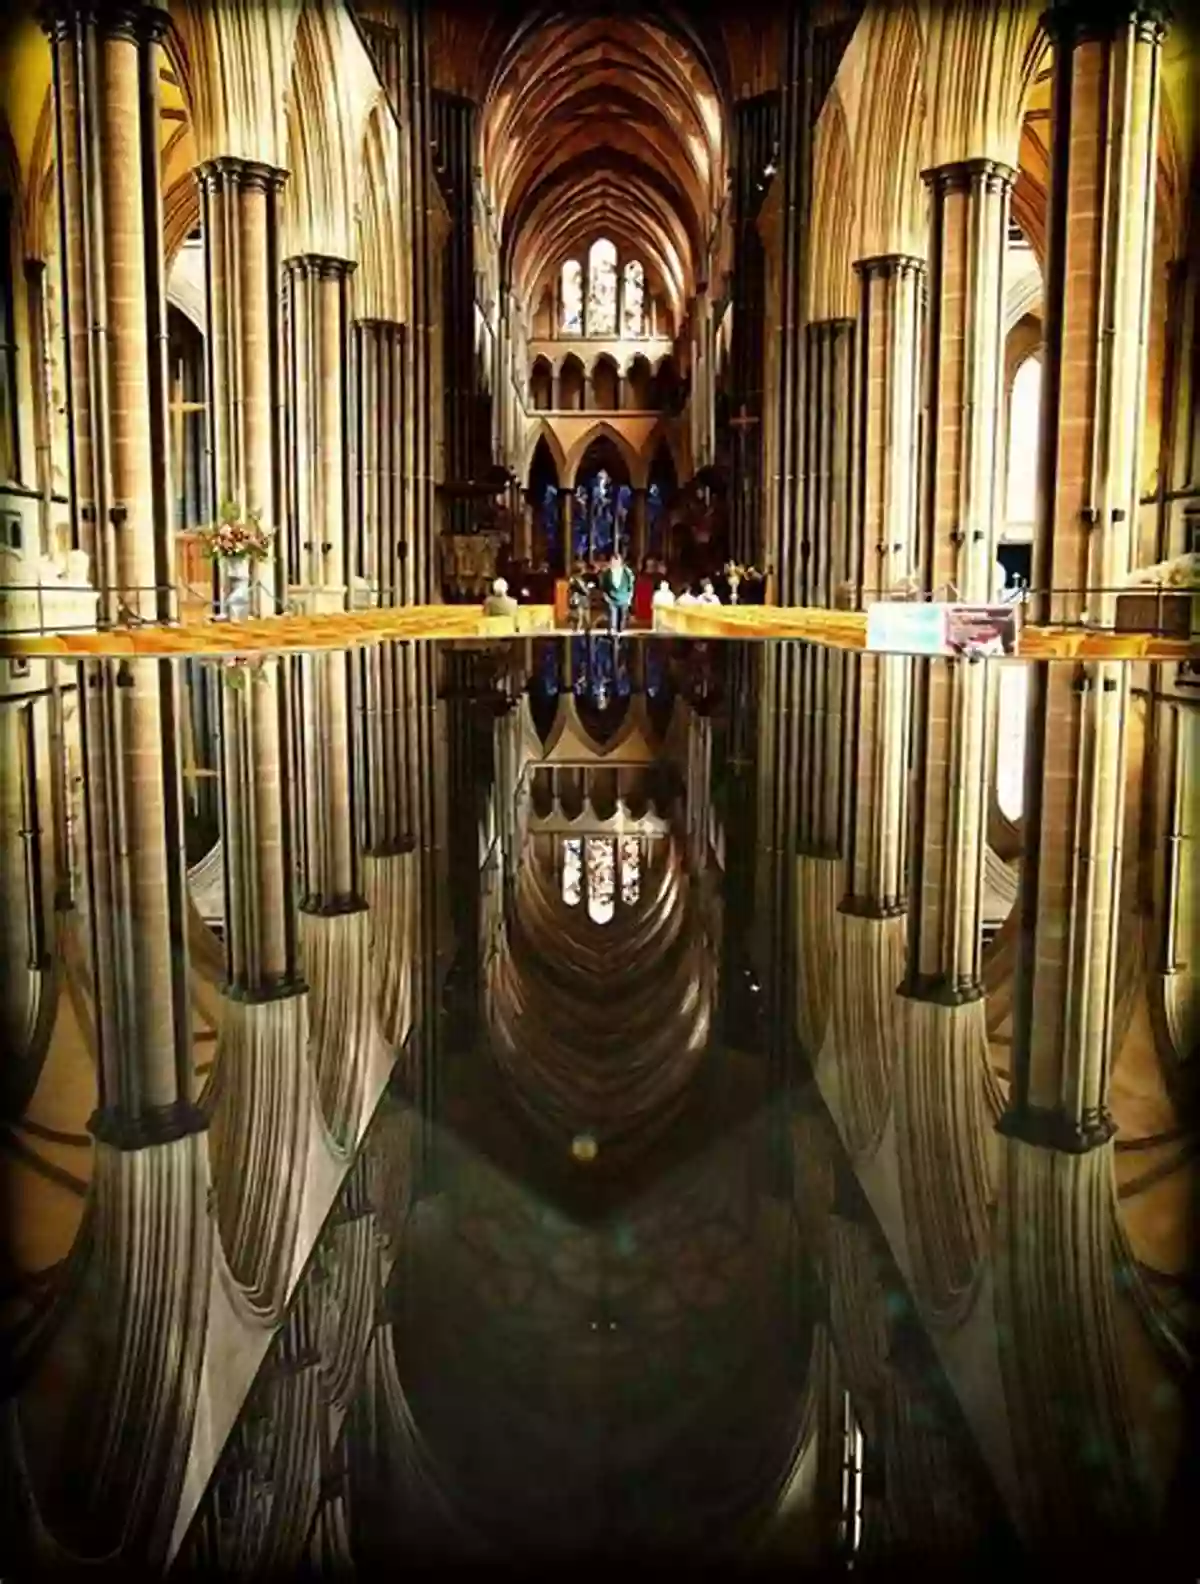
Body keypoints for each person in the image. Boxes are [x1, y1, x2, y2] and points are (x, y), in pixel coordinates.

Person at [599, 552, 636, 633]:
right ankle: (612, 631)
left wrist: (629, 597)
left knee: (622, 618)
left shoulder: (626, 572)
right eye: (613, 561)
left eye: (616, 561)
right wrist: (606, 596)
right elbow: (603, 586)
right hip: (611, 598)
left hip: (623, 598)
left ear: (620, 562)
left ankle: (620, 634)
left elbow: (631, 585)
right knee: (612, 617)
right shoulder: (607, 573)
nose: (614, 563)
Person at [567, 561, 591, 629]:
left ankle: (587, 628)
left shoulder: (586, 577)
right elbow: (570, 589)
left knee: (586, 615)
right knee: (580, 615)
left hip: (583, 598)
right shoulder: (574, 578)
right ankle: (577, 628)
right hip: (577, 598)